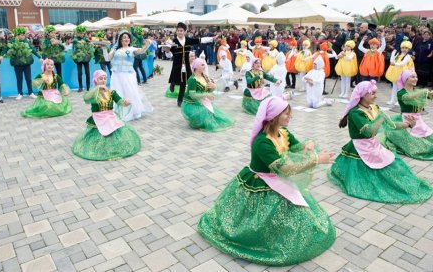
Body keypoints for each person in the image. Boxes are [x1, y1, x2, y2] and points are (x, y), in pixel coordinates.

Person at [198, 95, 336, 266]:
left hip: (277, 179)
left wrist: (306, 146)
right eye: (286, 113)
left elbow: (294, 146)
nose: (290, 116)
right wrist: (315, 160)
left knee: (300, 211)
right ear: (274, 116)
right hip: (261, 182)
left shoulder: (282, 132)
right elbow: (285, 168)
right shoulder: (262, 142)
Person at [328, 80, 432, 203]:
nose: (376, 96)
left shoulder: (374, 107)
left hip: (373, 144)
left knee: (395, 164)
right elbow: (369, 132)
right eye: (372, 93)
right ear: (362, 95)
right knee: (375, 174)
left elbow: (390, 125)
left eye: (375, 93)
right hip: (361, 147)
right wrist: (380, 118)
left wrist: (408, 124)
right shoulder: (355, 113)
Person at [72, 70, 141, 161]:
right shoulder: (93, 93)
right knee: (101, 133)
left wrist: (125, 103)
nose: (103, 80)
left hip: (110, 115)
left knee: (115, 128)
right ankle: (99, 149)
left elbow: (119, 101)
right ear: (96, 80)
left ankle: (115, 148)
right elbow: (86, 98)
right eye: (101, 78)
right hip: (98, 117)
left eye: (105, 78)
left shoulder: (111, 92)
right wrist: (97, 89)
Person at [381, 70, 433, 160]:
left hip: (418, 120)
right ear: (405, 79)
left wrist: (430, 94)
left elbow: (427, 96)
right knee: (422, 148)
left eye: (416, 77)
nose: (415, 79)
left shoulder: (417, 91)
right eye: (412, 77)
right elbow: (409, 97)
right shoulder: (401, 93)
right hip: (406, 119)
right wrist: (424, 92)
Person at [103, 30, 153, 121]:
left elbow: (141, 51)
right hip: (116, 74)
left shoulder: (132, 49)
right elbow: (107, 58)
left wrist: (147, 44)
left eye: (128, 37)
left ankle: (133, 111)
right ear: (120, 40)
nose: (126, 39)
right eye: (124, 37)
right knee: (117, 91)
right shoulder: (115, 49)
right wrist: (103, 48)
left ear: (130, 40)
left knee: (129, 90)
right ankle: (118, 111)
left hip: (128, 74)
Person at [181, 57, 235, 131]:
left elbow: (208, 89)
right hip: (192, 103)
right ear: (196, 67)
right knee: (205, 115)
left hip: (201, 100)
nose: (204, 66)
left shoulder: (205, 76)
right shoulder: (192, 79)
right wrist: (206, 95)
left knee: (213, 115)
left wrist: (213, 87)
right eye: (202, 65)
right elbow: (193, 96)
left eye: (204, 64)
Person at [167, 22, 208, 107]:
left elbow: (200, 40)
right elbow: (170, 53)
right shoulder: (173, 41)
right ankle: (173, 83)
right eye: (178, 31)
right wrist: (168, 48)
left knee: (184, 82)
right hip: (177, 65)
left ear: (185, 31)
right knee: (177, 80)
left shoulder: (188, 40)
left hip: (186, 64)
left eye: (181, 30)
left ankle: (180, 100)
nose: (179, 32)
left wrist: (212, 38)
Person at [2, 27, 40, 100]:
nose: (23, 36)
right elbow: (6, 49)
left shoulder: (26, 41)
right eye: (22, 35)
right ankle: (20, 93)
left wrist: (39, 57)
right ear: (17, 35)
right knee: (19, 79)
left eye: (24, 35)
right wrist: (1, 55)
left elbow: (32, 49)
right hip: (17, 63)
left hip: (26, 63)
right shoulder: (13, 41)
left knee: (28, 78)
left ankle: (30, 93)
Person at [385, 41, 415, 105]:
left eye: (406, 48)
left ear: (409, 49)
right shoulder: (398, 55)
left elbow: (402, 63)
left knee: (400, 88)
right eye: (403, 48)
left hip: (403, 74)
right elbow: (392, 61)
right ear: (401, 48)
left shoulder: (408, 56)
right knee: (394, 87)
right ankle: (392, 100)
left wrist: (394, 64)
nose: (404, 49)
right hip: (396, 73)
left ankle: (400, 101)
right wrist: (393, 54)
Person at [72, 25, 94, 92]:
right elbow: (75, 42)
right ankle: (80, 87)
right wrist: (79, 42)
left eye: (82, 33)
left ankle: (88, 87)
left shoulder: (85, 38)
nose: (81, 34)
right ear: (77, 33)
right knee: (79, 73)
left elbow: (90, 43)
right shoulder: (75, 39)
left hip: (86, 58)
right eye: (80, 33)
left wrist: (90, 43)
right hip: (79, 58)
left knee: (87, 72)